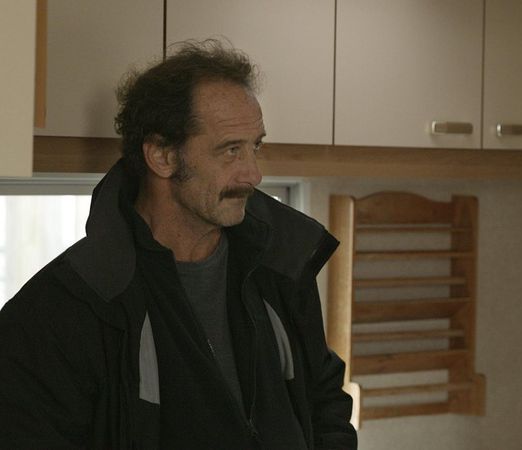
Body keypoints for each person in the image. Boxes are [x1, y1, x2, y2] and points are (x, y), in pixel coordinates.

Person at [0, 40, 357, 449]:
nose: (253, 174)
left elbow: (324, 400)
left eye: (254, 146)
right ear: (162, 157)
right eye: (230, 150)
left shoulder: (280, 264)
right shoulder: (62, 309)